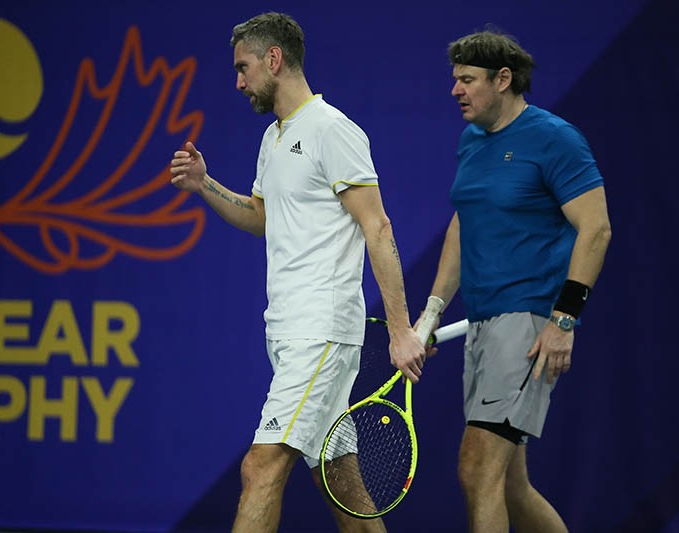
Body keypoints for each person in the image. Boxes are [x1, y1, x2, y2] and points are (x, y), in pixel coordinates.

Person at [169, 12, 425, 533]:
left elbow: (378, 228)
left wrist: (400, 330)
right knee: (342, 483)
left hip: (320, 331)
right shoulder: (273, 138)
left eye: (242, 68)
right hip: (287, 333)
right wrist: (204, 184)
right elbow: (261, 217)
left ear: (273, 59)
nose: (238, 82)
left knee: (260, 466)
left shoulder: (333, 130)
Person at [420, 29, 612, 532]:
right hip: (482, 324)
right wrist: (432, 312)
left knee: (476, 468)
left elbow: (596, 228)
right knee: (509, 484)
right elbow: (463, 225)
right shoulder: (471, 141)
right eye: (455, 79)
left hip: (527, 324)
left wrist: (563, 320)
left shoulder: (555, 139)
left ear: (503, 79)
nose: (455, 91)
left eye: (467, 80)